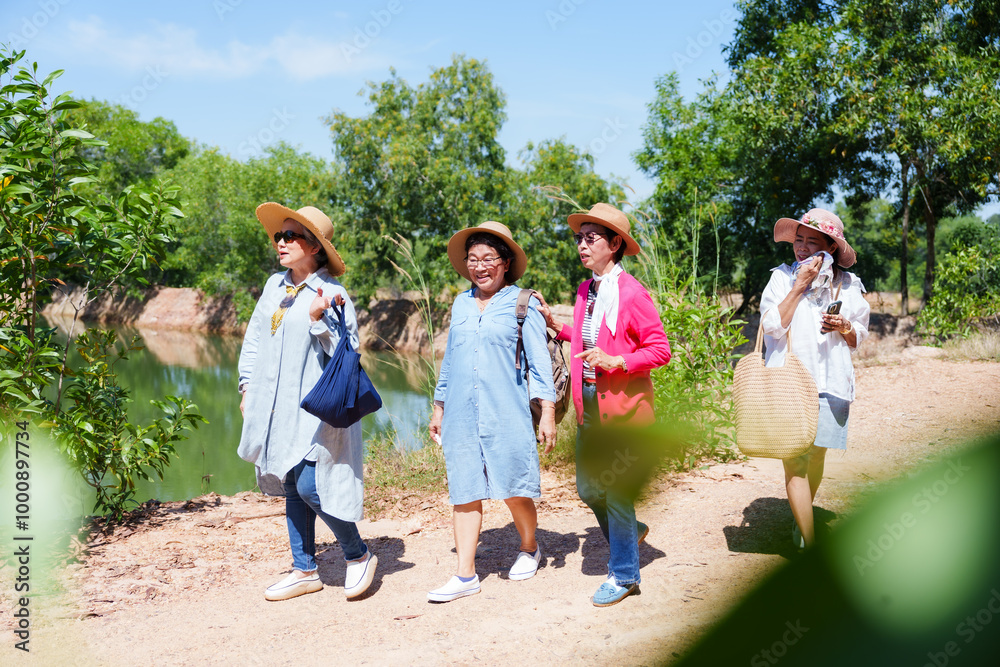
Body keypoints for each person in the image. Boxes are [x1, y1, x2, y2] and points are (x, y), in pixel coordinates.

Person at [237, 203, 377, 601]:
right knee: (292, 482)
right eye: (279, 236)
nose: (280, 242)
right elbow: (254, 341)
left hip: (318, 407)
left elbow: (347, 355)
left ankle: (358, 553)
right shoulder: (273, 287)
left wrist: (318, 319)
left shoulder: (332, 293)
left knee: (313, 485)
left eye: (290, 236)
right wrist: (247, 387)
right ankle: (304, 568)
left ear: (314, 247)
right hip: (277, 406)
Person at [536, 203, 672, 607]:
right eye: (579, 238)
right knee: (588, 488)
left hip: (626, 411)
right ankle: (630, 531)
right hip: (590, 406)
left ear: (615, 244)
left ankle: (626, 574)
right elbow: (583, 338)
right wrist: (554, 323)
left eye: (591, 238)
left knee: (615, 492)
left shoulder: (631, 293)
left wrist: (620, 361)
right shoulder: (587, 289)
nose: (582, 245)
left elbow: (660, 350)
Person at [427, 221, 558, 602]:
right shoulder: (461, 303)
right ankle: (465, 575)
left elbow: (538, 363)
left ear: (505, 263)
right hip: (462, 414)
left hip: (507, 411)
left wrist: (547, 412)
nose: (479, 266)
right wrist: (439, 407)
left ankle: (530, 547)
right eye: (473, 259)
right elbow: (450, 359)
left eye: (488, 259)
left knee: (514, 487)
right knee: (464, 489)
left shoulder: (524, 303)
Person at [760, 208, 870, 549]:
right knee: (794, 461)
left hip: (832, 381)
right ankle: (810, 544)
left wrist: (845, 326)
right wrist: (799, 287)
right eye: (799, 241)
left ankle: (800, 515)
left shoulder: (847, 285)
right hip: (789, 381)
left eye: (812, 242)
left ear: (831, 248)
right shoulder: (781, 278)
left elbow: (860, 336)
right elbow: (772, 327)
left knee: (816, 457)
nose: (803, 249)